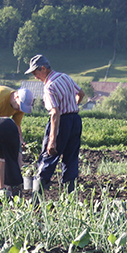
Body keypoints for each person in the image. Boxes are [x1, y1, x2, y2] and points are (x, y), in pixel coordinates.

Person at [25, 54, 84, 193]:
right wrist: (72, 107)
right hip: (75, 120)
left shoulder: (49, 86)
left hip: (61, 122)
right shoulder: (65, 77)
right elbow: (81, 93)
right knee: (71, 159)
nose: (35, 77)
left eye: (36, 73)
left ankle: (36, 201)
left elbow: (55, 113)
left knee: (48, 157)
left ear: (43, 69)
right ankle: (70, 197)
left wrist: (52, 140)